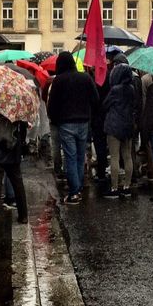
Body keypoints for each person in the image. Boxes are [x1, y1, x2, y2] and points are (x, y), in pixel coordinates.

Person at [47, 51, 100, 205]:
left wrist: (55, 120)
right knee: (79, 156)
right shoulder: (85, 78)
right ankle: (78, 186)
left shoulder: (58, 81)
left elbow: (52, 105)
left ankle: (74, 192)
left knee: (70, 157)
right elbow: (95, 99)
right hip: (83, 122)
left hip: (65, 123)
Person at [103, 63, 135, 198]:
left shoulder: (115, 89)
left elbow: (105, 105)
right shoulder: (132, 89)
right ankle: (127, 186)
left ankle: (114, 188)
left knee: (115, 157)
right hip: (128, 125)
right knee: (127, 156)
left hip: (114, 125)